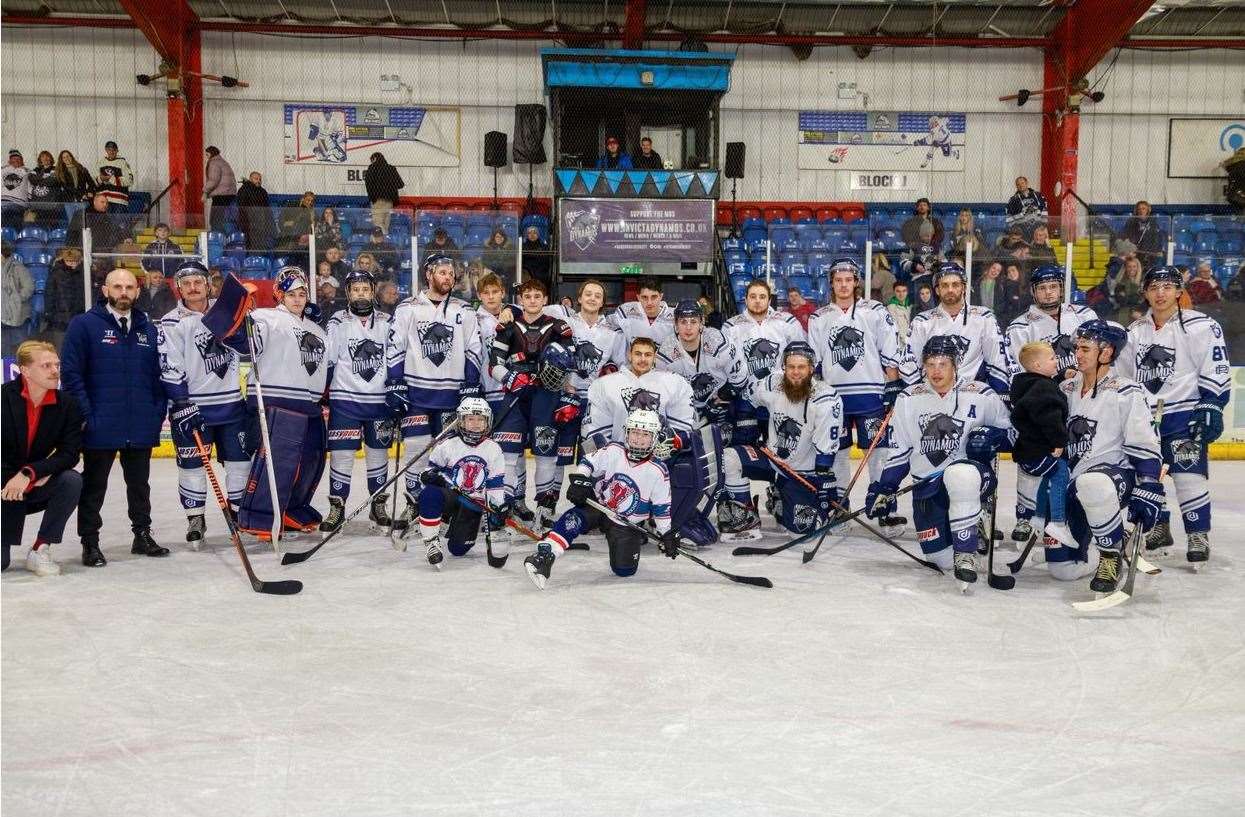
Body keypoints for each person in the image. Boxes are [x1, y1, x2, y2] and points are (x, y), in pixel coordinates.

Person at [866, 335, 1013, 585]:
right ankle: (966, 535)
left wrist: (992, 437)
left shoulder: (980, 393)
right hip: (927, 486)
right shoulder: (908, 398)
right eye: (930, 364)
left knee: (960, 475)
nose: (936, 371)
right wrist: (884, 488)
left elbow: (1011, 434)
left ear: (955, 365)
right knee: (941, 560)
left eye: (943, 364)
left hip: (973, 480)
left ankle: (967, 547)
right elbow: (899, 450)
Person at [203, 268, 329, 537]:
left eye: (302, 293)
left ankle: (291, 508)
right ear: (278, 295)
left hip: (309, 405)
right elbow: (241, 342)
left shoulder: (317, 328)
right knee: (277, 463)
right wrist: (238, 312)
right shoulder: (265, 318)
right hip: (276, 403)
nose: (297, 299)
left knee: (309, 461)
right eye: (291, 294)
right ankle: (260, 517)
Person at [1116, 266, 1229, 566]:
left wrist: (1213, 404)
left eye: (1167, 287)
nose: (1161, 293)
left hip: (1184, 414)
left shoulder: (1201, 325)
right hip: (1145, 417)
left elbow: (1215, 368)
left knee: (1187, 475)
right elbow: (1124, 377)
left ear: (1179, 291)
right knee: (1147, 475)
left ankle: (1197, 533)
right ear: (1145, 293)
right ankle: (1159, 527)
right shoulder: (1134, 333)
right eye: (1154, 287)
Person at [60, 268, 168, 567]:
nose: (124, 292)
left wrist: (155, 412)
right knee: (95, 486)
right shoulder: (84, 325)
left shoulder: (148, 328)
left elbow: (158, 376)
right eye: (117, 286)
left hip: (139, 422)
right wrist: (87, 415)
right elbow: (71, 375)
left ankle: (142, 535)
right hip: (100, 423)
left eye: (129, 287)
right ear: (105, 290)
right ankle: (90, 542)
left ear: (137, 291)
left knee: (140, 484)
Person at [1046, 320, 1164, 591]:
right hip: (1073, 483)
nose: (1078, 353)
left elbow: (1144, 443)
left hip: (1113, 477)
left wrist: (1149, 486)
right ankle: (1111, 535)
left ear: (1107, 353)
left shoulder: (1126, 391)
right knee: (1062, 570)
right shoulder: (1066, 389)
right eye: (1077, 347)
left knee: (1094, 483)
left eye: (1086, 348)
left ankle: (1110, 556)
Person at [523, 409, 672, 590]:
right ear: (626, 432)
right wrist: (580, 481)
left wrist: (667, 534)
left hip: (625, 523)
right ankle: (545, 555)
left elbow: (661, 508)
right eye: (634, 432)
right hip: (599, 506)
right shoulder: (613, 450)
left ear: (654, 438)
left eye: (645, 435)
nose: (638, 439)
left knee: (624, 570)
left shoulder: (658, 470)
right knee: (575, 517)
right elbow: (588, 463)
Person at [156, 261, 250, 545]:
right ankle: (195, 517)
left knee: (239, 463)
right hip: (192, 408)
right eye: (187, 283)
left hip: (232, 404)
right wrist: (182, 402)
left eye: (198, 281)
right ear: (178, 288)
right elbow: (169, 366)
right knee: (192, 467)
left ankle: (238, 516)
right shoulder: (172, 322)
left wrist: (241, 329)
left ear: (209, 284)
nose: (193, 287)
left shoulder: (228, 313)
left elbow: (250, 349)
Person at [807, 258, 906, 526]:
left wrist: (893, 385)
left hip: (870, 393)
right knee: (837, 452)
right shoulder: (819, 317)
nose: (843, 285)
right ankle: (840, 505)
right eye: (838, 280)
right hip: (832, 397)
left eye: (848, 280)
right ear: (831, 283)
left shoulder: (874, 310)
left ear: (856, 282)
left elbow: (890, 350)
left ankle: (884, 502)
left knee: (878, 451)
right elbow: (813, 361)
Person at [387, 254, 482, 527]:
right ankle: (414, 502)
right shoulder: (408, 308)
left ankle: (441, 504)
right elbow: (396, 348)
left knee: (446, 453)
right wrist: (395, 382)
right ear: (429, 275)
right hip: (416, 392)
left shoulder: (464, 310)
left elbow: (473, 348)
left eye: (451, 273)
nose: (448, 277)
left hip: (451, 394)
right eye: (442, 272)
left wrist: (470, 383)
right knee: (416, 450)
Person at [1004, 264, 1096, 540]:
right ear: (1033, 291)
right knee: (1036, 461)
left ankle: (1066, 511)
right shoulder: (1020, 326)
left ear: (1061, 288)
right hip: (1041, 402)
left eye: (1053, 286)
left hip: (1080, 399)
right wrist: (1057, 376)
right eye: (1042, 288)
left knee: (1076, 454)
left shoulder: (1084, 315)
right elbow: (1018, 369)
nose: (1048, 292)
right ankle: (1025, 515)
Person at [716, 342, 842, 542]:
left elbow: (826, 450)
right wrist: (747, 424)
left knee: (802, 534)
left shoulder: (825, 398)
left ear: (811, 369)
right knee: (728, 458)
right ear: (783, 367)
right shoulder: (772, 382)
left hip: (801, 474)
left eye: (801, 367)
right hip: (772, 460)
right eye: (790, 367)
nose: (795, 372)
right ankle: (745, 517)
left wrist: (823, 480)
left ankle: (780, 500)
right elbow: (747, 399)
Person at [487, 278, 576, 526]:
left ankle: (544, 508)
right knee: (508, 454)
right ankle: (501, 504)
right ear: (521, 300)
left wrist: (558, 372)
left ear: (545, 300)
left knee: (545, 454)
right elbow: (494, 364)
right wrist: (511, 378)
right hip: (515, 395)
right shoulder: (507, 326)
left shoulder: (559, 327)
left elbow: (569, 360)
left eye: (538, 296)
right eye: (528, 296)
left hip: (546, 396)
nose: (533, 301)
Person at [320, 269, 397, 533]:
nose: (361, 294)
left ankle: (378, 505)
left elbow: (396, 359)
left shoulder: (388, 321)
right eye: (356, 289)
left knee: (378, 455)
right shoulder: (337, 322)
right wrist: (323, 395)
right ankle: (337, 507)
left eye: (365, 289)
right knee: (341, 456)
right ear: (348, 293)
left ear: (373, 291)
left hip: (379, 403)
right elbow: (329, 361)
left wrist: (398, 390)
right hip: (345, 402)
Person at [1, 341, 83, 576]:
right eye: (46, 365)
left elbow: (69, 454)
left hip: (33, 484)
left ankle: (40, 548)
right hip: (3, 487)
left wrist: (30, 473)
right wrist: (13, 479)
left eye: (56, 365)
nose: (55, 371)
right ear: (25, 370)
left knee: (71, 480)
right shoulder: (2, 399)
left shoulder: (67, 405)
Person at [414, 397, 513, 569]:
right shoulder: (447, 445)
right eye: (470, 419)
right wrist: (428, 477)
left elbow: (495, 485)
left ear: (487, 421)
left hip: (472, 505)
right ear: (461, 421)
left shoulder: (494, 449)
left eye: (480, 419)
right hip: (451, 497)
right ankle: (431, 541)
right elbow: (427, 473)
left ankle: (446, 526)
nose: (476, 424)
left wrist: (498, 509)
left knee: (458, 549)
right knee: (430, 493)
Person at [901, 262, 1014, 395]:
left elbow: (997, 361)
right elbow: (909, 364)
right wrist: (918, 396)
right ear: (937, 290)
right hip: (932, 395)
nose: (950, 289)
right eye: (945, 285)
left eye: (955, 285)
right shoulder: (922, 321)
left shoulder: (984, 317)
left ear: (964, 287)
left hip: (972, 395)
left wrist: (1000, 396)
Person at [722, 279, 807, 445]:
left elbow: (802, 357)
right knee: (746, 450)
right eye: (753, 296)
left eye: (762, 296)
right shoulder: (731, 326)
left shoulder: (787, 322)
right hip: (745, 399)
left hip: (781, 396)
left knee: (781, 449)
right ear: (745, 299)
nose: (757, 300)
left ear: (769, 300)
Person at [1009, 340, 1075, 552]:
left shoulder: (1026, 384)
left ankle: (1037, 518)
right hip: (1039, 450)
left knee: (1047, 477)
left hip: (1027, 453)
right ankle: (1057, 522)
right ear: (1037, 366)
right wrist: (1059, 441)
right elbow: (1050, 417)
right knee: (1060, 474)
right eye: (1052, 358)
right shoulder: (1043, 388)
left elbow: (1037, 400)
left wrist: (1059, 377)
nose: (1057, 361)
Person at [657, 299, 747, 429]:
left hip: (722, 401)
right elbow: (666, 395)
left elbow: (740, 378)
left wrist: (721, 398)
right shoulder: (665, 353)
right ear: (675, 325)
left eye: (693, 321)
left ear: (702, 323)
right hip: (686, 408)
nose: (688, 327)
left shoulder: (718, 341)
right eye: (683, 322)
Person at [602, 276, 675, 347]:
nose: (649, 302)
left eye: (654, 297)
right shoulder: (626, 311)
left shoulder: (675, 316)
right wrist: (622, 349)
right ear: (638, 297)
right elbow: (606, 327)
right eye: (644, 297)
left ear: (661, 296)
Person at [42, 247, 86, 348]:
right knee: (61, 347)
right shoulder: (56, 273)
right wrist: (50, 314)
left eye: (74, 261)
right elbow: (49, 295)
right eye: (68, 261)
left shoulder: (85, 273)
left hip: (80, 316)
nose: (71, 263)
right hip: (60, 319)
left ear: (79, 261)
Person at [2, 242, 34, 357]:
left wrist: (16, 300)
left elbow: (29, 287)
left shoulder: (18, 267)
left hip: (18, 314)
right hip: (2, 315)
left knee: (20, 348)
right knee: (3, 348)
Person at [363, 151, 404, 232]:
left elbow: (368, 185)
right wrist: (390, 184)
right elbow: (400, 184)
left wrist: (373, 197)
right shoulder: (391, 168)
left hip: (378, 200)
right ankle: (384, 241)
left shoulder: (372, 168)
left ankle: (381, 242)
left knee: (378, 224)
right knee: (386, 223)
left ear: (374, 159)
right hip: (389, 201)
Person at [235, 171, 276, 252]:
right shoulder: (243, 190)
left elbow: (266, 209)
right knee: (251, 245)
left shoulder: (263, 191)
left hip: (261, 224)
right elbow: (242, 208)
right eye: (256, 179)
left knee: (260, 245)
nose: (258, 181)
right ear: (250, 179)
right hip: (249, 224)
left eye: (260, 179)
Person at [1120, 201, 1166, 266]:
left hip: (1150, 255)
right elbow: (1125, 237)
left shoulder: (1153, 223)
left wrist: (1154, 251)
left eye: (1143, 209)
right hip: (1135, 254)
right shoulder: (1131, 222)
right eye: (1139, 209)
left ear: (1148, 211)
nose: (1141, 211)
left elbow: (1157, 241)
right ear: (1136, 211)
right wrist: (1129, 250)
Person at [203, 146, 237, 234]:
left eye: (207, 155)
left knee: (215, 219)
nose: (206, 157)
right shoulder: (223, 162)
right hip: (229, 193)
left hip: (221, 194)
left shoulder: (214, 162)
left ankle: (217, 237)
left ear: (211, 154)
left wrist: (205, 192)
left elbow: (214, 180)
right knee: (222, 218)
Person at [27, 150, 62, 225]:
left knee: (52, 226)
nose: (45, 158)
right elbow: (31, 179)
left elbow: (52, 181)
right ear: (40, 160)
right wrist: (44, 179)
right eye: (43, 157)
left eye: (47, 156)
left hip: (51, 205)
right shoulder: (36, 169)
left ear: (51, 159)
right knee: (40, 227)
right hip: (38, 205)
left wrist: (38, 180)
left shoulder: (55, 169)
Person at [1112, 254, 1145, 325]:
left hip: (1142, 313)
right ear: (1125, 268)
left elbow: (1146, 300)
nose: (1132, 269)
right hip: (1125, 314)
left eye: (1134, 266)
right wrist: (1132, 312)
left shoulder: (1144, 282)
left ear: (1138, 268)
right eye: (1129, 266)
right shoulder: (1121, 283)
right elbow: (1122, 302)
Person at [2, 149, 31, 229]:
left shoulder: (27, 172)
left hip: (19, 204)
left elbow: (30, 188)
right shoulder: (2, 170)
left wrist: (29, 205)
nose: (16, 160)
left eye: (18, 159)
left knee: (16, 227)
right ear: (9, 161)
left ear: (22, 161)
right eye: (13, 158)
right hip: (3, 202)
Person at [997, 261, 1029, 327]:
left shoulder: (1027, 286)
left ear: (1019, 271)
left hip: (1026, 323)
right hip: (1010, 324)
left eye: (1013, 270)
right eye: (1009, 272)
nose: (1011, 273)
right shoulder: (1006, 287)